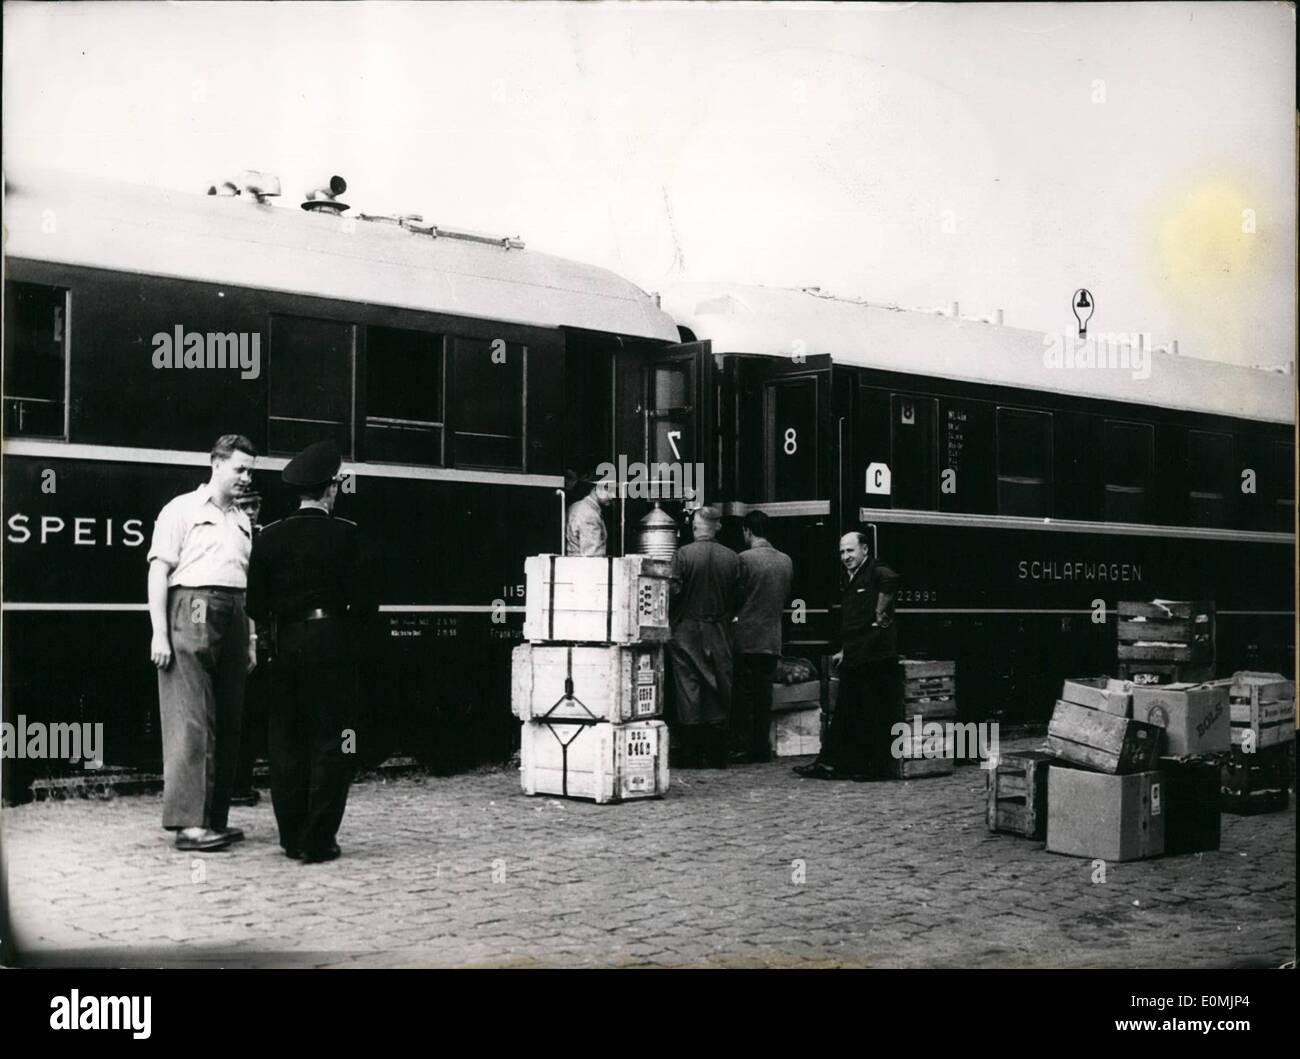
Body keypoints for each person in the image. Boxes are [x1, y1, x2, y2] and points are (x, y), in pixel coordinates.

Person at [246, 440, 369, 863]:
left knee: (285, 742)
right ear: (330, 489)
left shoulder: (269, 538)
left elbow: (254, 606)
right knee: (330, 742)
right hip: (332, 644)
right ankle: (318, 840)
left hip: (285, 646)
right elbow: (365, 603)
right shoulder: (347, 534)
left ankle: (291, 837)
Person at [148, 434, 258, 851]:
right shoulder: (181, 510)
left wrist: (248, 637)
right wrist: (159, 630)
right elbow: (159, 570)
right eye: (239, 469)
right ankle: (187, 824)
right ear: (215, 464)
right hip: (191, 605)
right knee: (191, 718)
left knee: (228, 718)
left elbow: (244, 583)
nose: (246, 477)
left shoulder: (242, 520)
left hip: (233, 611)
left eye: (251, 470)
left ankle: (214, 818)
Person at [795, 531, 901, 781]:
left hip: (875, 656)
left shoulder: (876, 570)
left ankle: (872, 769)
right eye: (842, 552)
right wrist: (844, 648)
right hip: (857, 654)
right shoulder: (853, 577)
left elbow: (892, 581)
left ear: (865, 549)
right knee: (847, 712)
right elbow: (854, 620)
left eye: (850, 550)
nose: (846, 556)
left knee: (873, 713)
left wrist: (879, 611)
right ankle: (832, 763)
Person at [667, 505, 742, 769]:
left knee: (688, 687)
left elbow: (673, 593)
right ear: (717, 527)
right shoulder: (733, 558)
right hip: (720, 629)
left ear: (695, 526)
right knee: (719, 685)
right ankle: (717, 753)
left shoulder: (683, 555)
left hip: (686, 630)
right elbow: (738, 596)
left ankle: (691, 753)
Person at [731, 510, 794, 762]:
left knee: (743, 696)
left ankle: (744, 748)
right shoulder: (786, 561)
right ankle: (762, 748)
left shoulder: (743, 559)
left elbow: (735, 597)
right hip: (771, 638)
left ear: (747, 531)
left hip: (745, 637)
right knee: (763, 695)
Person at [230, 491, 269, 807]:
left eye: (255, 506)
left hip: (262, 632)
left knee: (253, 713)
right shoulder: (231, 538)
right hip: (240, 629)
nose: (251, 512)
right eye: (244, 506)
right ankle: (235, 784)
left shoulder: (265, 538)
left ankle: (241, 783)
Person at [565, 469, 617, 556]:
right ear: (595, 488)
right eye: (608, 489)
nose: (613, 496)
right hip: (585, 567)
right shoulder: (590, 514)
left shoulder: (577, 506)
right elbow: (592, 555)